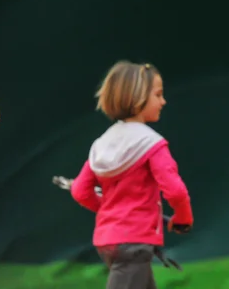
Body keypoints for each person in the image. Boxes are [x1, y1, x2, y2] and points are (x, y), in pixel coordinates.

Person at [70, 60, 194, 289]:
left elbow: (79, 191)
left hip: (109, 241)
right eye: (158, 95)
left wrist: (110, 209)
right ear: (138, 98)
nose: (163, 101)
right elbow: (175, 191)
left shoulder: (101, 144)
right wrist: (183, 219)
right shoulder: (152, 144)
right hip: (134, 243)